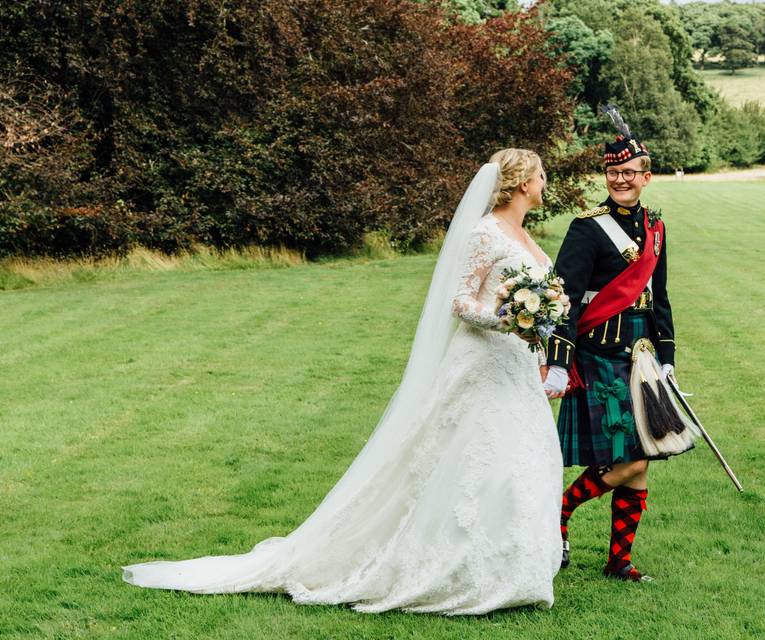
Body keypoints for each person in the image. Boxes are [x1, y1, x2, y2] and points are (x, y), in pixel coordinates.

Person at [123, 149, 564, 614]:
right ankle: (454, 567)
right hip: (482, 364)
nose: (544, 182)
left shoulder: (524, 234)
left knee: (520, 461)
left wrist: (533, 333)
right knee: (474, 461)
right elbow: (459, 301)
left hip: (515, 365)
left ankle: (511, 567)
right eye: (540, 175)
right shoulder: (485, 232)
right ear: (521, 184)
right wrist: (506, 320)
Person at [542, 107, 696, 583]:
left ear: (646, 177)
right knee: (630, 458)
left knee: (641, 460)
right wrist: (557, 362)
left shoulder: (655, 228)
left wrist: (667, 360)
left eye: (629, 173)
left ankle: (619, 563)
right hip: (598, 357)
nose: (620, 180)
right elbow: (563, 299)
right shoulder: (587, 227)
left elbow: (660, 298)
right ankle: (558, 513)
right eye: (613, 172)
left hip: (641, 359)